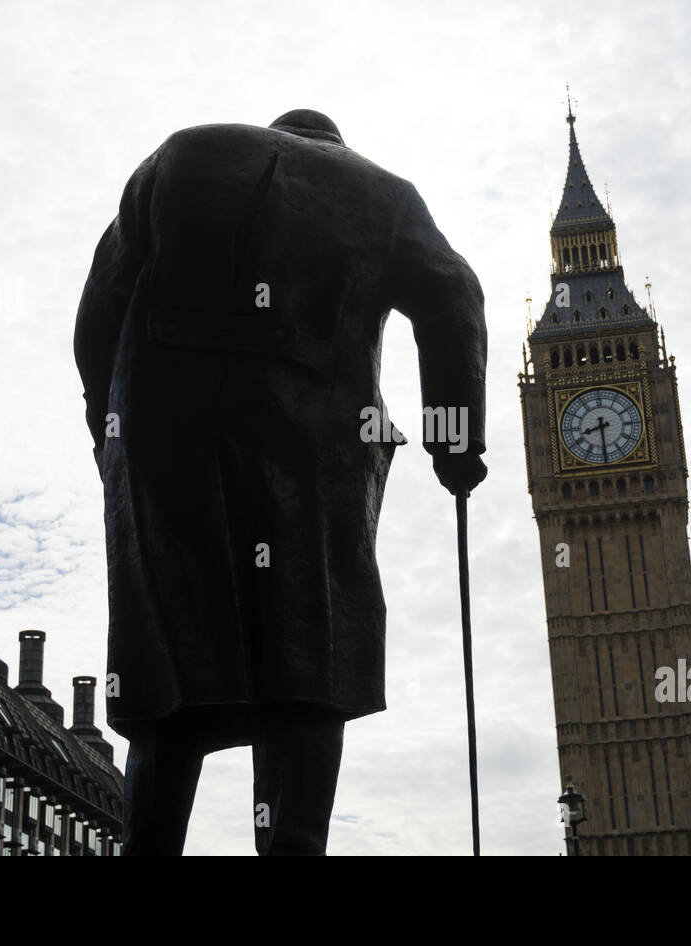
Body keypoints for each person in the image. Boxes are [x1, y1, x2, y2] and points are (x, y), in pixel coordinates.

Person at [73, 109, 487, 854]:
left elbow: (96, 311)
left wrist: (107, 430)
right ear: (334, 142)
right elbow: (455, 297)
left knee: (170, 669)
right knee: (306, 659)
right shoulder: (386, 195)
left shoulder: (181, 151)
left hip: (163, 436)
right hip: (311, 442)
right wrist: (452, 443)